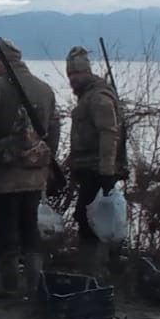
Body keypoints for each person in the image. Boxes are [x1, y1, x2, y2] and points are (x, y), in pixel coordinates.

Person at [0, 39, 60, 297]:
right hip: (35, 173)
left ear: (2, 61)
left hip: (4, 172)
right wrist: (46, 160)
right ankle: (34, 283)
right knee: (29, 225)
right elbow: (54, 129)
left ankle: (9, 284)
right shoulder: (45, 89)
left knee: (7, 225)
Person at [66, 45, 124, 279]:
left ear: (86, 73)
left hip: (97, 171)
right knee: (89, 220)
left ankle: (94, 273)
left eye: (76, 74)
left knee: (90, 221)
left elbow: (109, 134)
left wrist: (106, 172)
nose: (72, 80)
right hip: (89, 168)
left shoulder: (98, 97)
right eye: (70, 75)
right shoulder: (88, 96)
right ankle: (95, 271)